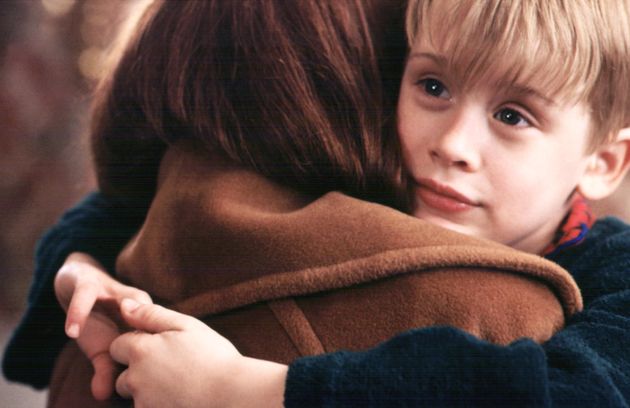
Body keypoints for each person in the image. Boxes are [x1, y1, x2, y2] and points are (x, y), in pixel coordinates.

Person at [5, 0, 630, 406]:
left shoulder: (616, 271)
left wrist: (247, 390)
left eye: (513, 116)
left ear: (602, 162)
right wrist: (81, 265)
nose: (453, 144)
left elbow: (572, 396)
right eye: (433, 86)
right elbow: (131, 202)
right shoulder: (372, 186)